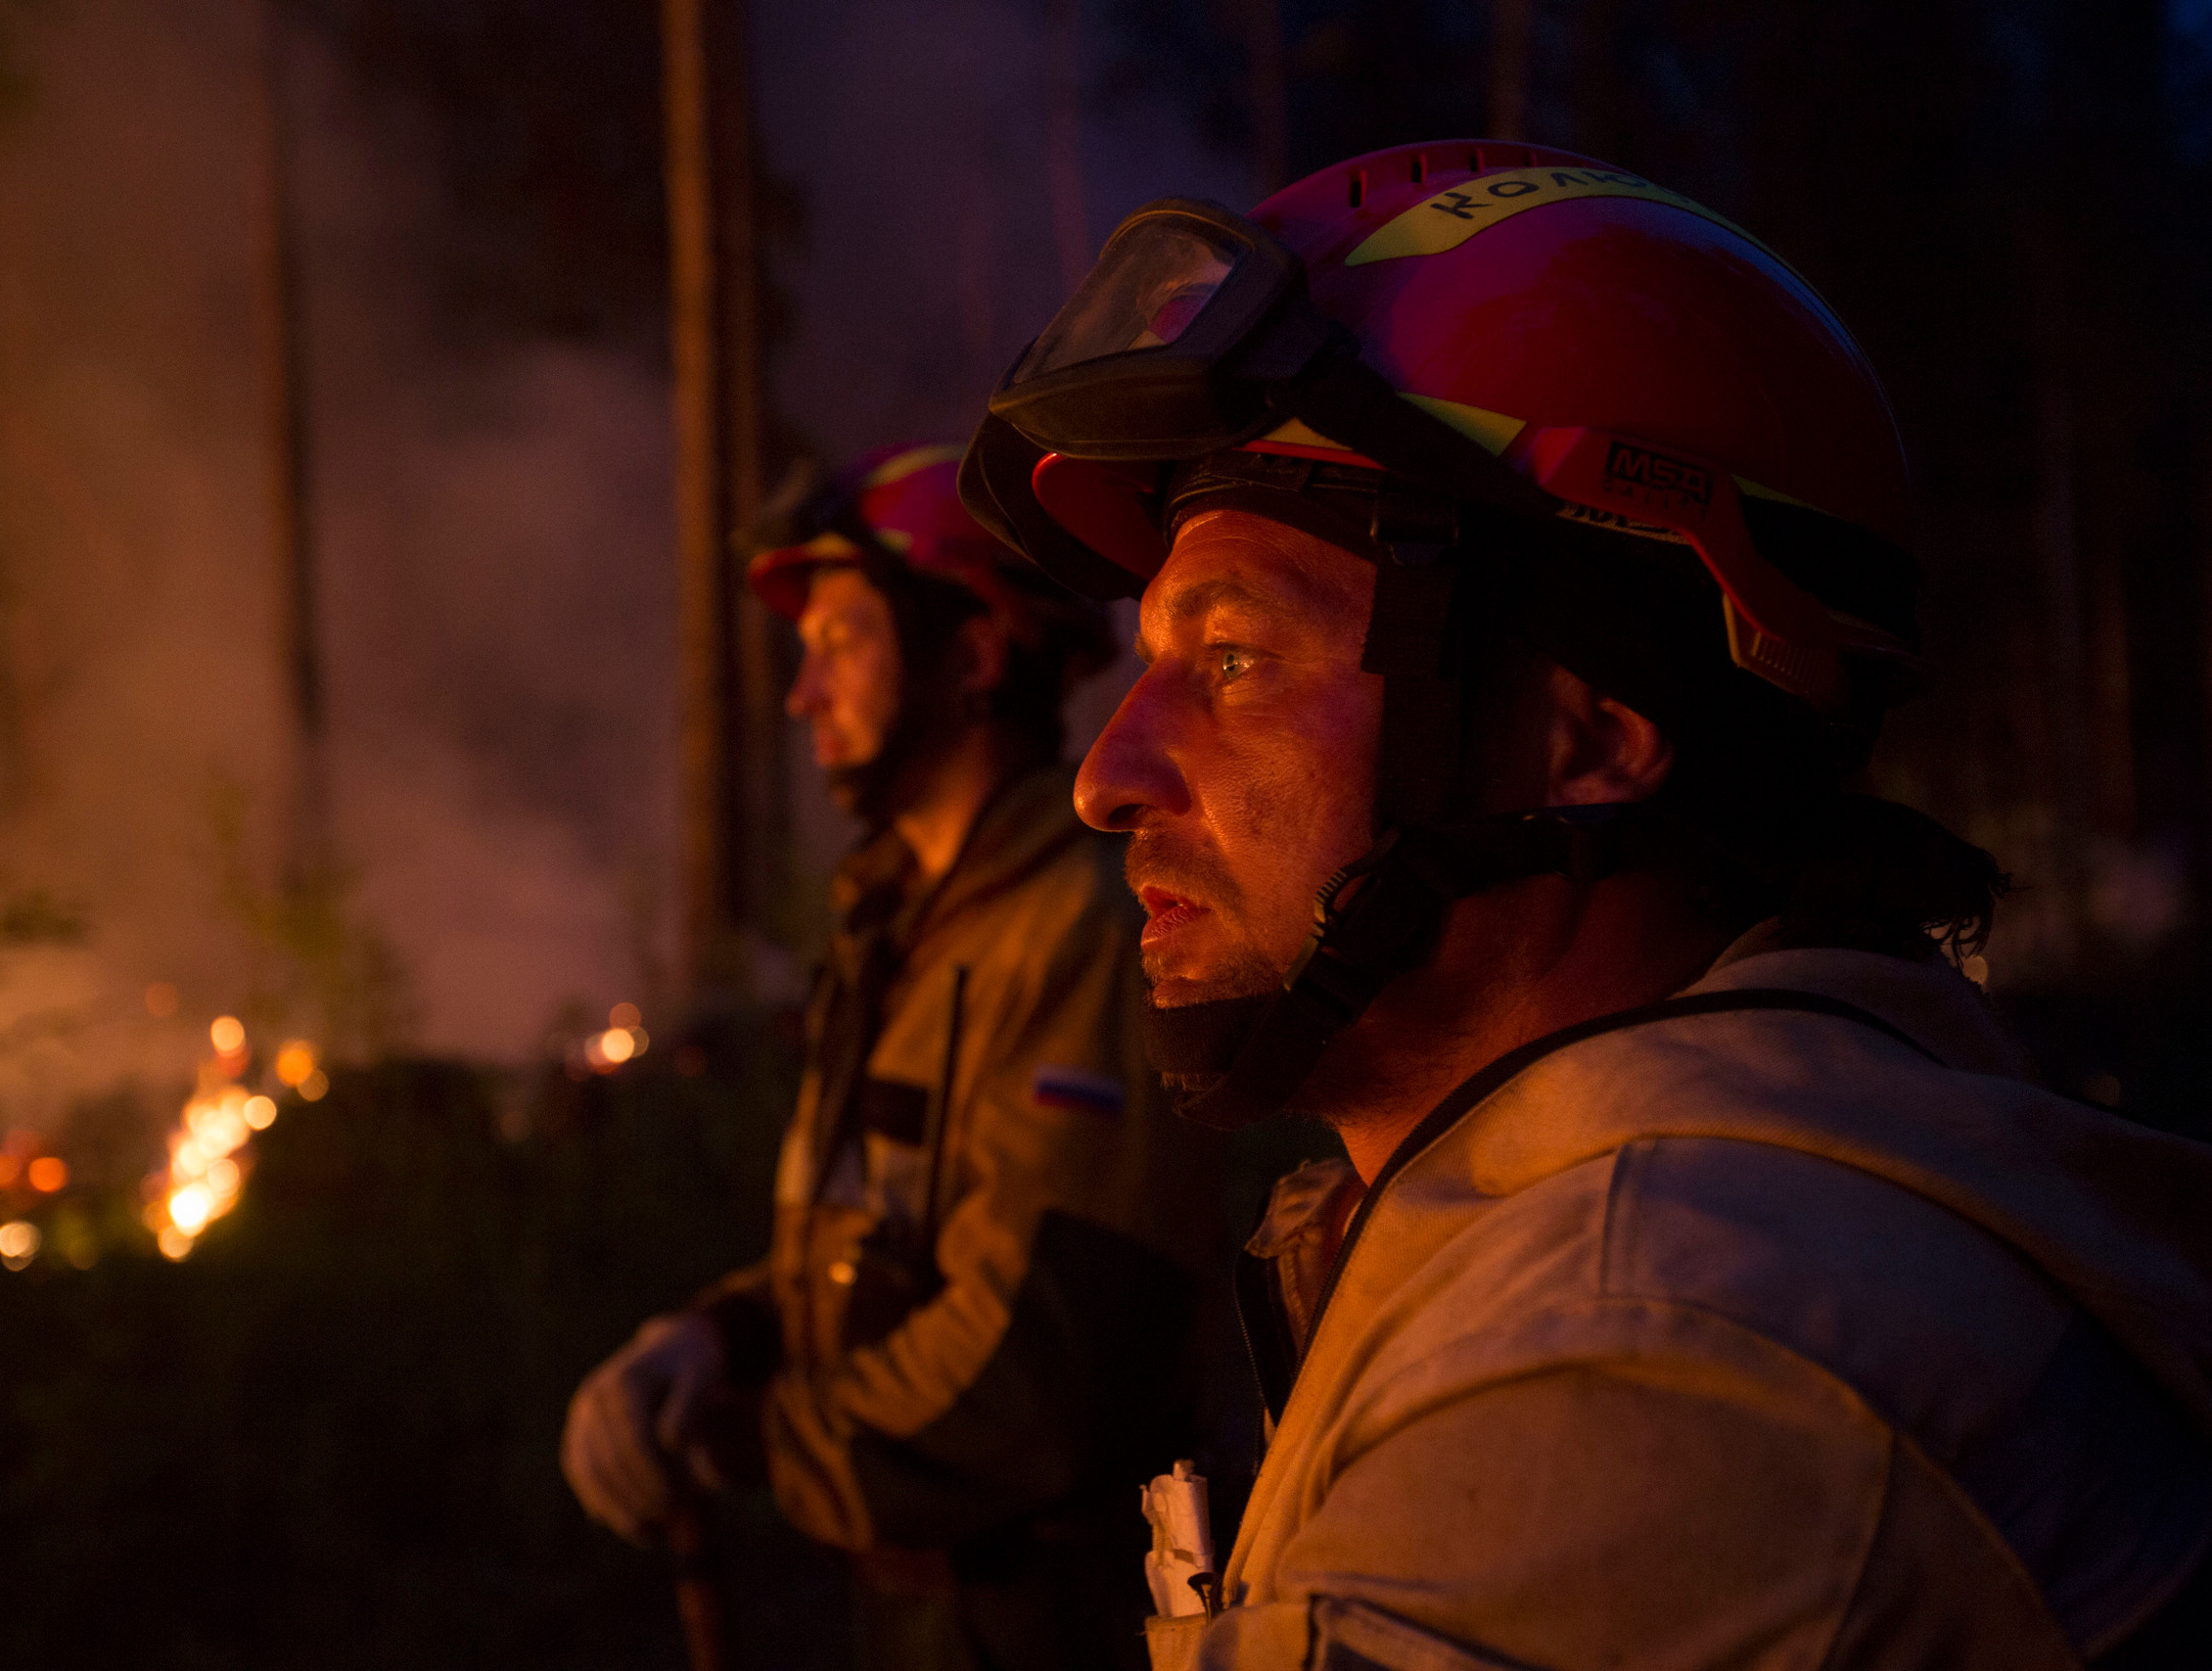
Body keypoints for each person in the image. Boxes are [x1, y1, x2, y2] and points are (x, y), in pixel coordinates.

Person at [960, 142, 2212, 1668]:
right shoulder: (1606, 1218)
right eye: (1150, 662)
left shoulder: (1648, 1353)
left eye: (1231, 658)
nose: (1106, 773)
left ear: (1592, 726)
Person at [561, 443, 1221, 1671]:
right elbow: (880, 1249)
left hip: (1048, 1622)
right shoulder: (902, 930)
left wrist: (758, 1438)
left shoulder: (1080, 931)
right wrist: (719, 1341)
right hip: (921, 1613)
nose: (805, 694)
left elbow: (1047, 1360)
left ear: (973, 655)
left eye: (842, 643)